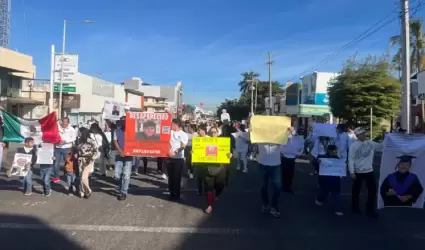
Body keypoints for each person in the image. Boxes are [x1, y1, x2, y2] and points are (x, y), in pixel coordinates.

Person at [348, 127, 382, 218]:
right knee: (356, 190)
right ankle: (355, 207)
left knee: (372, 191)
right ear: (357, 136)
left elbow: (380, 147)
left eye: (364, 133)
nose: (364, 135)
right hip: (358, 171)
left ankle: (370, 210)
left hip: (369, 170)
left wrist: (386, 138)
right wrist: (351, 171)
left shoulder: (370, 143)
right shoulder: (354, 145)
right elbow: (351, 158)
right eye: (362, 134)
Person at [202, 127, 232, 214]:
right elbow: (198, 151)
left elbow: (229, 153)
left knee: (220, 186)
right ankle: (209, 205)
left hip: (220, 168)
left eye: (214, 132)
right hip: (207, 168)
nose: (212, 134)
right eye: (211, 133)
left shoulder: (223, 143)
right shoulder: (203, 142)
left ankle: (217, 194)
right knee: (208, 188)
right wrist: (193, 152)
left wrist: (230, 155)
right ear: (208, 133)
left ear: (217, 133)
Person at [256, 141, 283, 218]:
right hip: (262, 163)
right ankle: (265, 204)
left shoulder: (279, 131)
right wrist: (251, 131)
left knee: (278, 187)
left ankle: (274, 206)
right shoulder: (260, 131)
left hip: (276, 164)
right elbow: (250, 139)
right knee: (263, 186)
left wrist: (289, 133)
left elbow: (286, 142)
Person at [315, 145, 343, 216]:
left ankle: (337, 209)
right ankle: (319, 199)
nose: (336, 152)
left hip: (335, 179)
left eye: (336, 151)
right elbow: (315, 165)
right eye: (334, 151)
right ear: (329, 151)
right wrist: (317, 162)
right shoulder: (322, 157)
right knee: (324, 192)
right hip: (325, 178)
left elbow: (341, 167)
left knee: (336, 193)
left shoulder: (337, 158)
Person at [166, 118, 188, 200]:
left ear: (176, 125)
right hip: (169, 157)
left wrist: (175, 152)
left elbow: (183, 146)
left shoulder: (183, 134)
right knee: (170, 177)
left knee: (177, 177)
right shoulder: (169, 132)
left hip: (178, 159)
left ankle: (177, 193)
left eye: (172, 124)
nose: (171, 126)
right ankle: (171, 192)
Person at [114, 116, 134, 201]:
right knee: (117, 175)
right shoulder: (117, 130)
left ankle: (123, 192)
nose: (123, 123)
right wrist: (120, 151)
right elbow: (115, 141)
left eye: (124, 121)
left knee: (126, 175)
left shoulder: (132, 131)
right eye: (121, 121)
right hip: (119, 155)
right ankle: (121, 188)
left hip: (129, 156)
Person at [76, 127, 99, 199]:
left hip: (87, 160)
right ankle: (83, 191)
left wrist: (91, 159)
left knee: (84, 177)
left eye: (79, 131)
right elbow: (77, 149)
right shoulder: (79, 140)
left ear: (82, 132)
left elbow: (96, 152)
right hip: (80, 160)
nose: (78, 133)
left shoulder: (91, 141)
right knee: (82, 177)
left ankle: (88, 190)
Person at [53, 117, 77, 183]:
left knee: (67, 163)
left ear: (68, 122)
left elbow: (74, 138)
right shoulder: (57, 128)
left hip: (67, 148)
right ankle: (56, 177)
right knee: (56, 163)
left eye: (65, 122)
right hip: (57, 147)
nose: (64, 123)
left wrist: (65, 141)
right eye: (63, 121)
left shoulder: (71, 129)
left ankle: (67, 175)